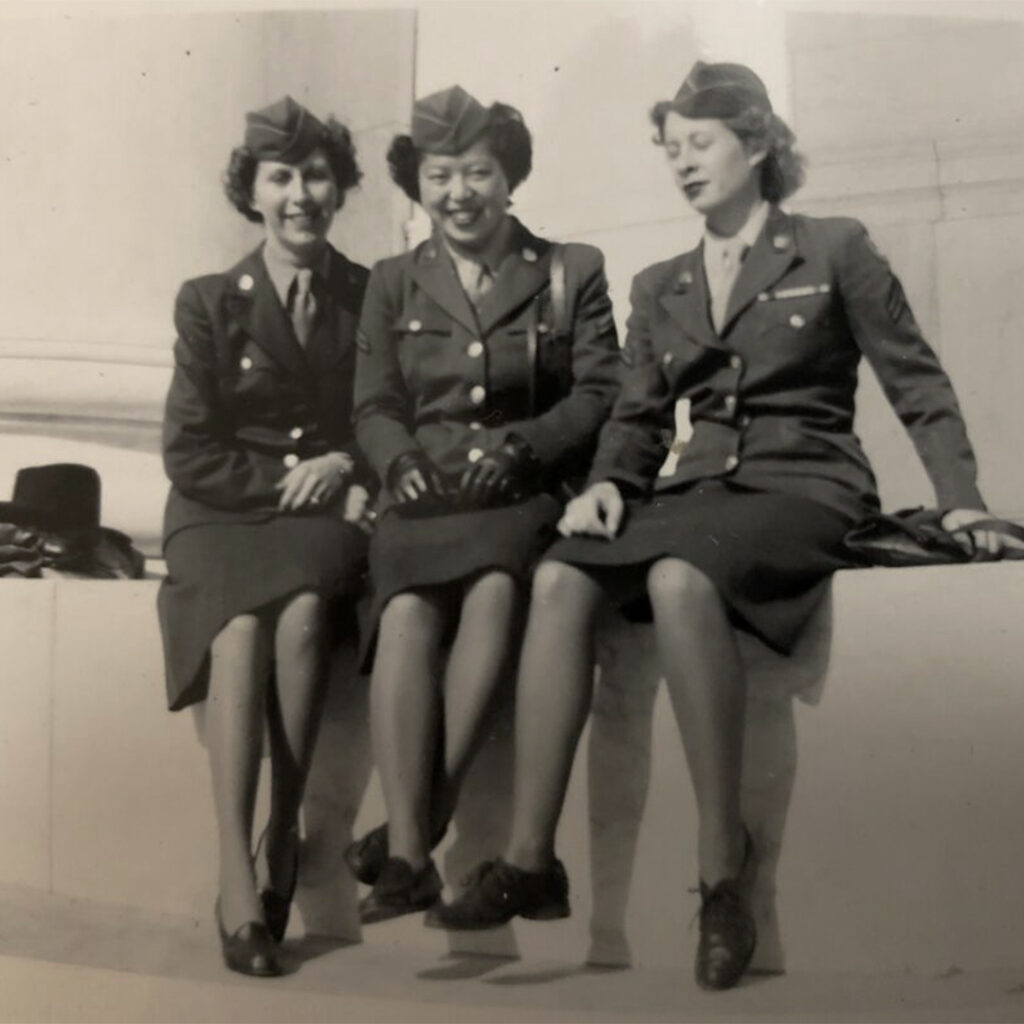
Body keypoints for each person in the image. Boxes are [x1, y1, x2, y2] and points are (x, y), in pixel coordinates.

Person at [427, 62, 999, 990]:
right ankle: (532, 859)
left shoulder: (835, 245)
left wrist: (961, 495)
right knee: (566, 573)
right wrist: (612, 482)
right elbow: (643, 419)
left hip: (807, 489)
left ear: (760, 144)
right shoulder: (662, 284)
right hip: (699, 494)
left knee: (679, 576)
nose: (681, 163)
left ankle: (721, 877)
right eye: (670, 149)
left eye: (700, 144)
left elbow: (916, 382)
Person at [348, 85, 621, 923]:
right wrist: (396, 463)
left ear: (510, 178)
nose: (458, 193)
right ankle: (408, 858)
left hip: (516, 491)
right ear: (417, 183)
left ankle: (411, 833)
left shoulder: (570, 269)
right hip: (425, 495)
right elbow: (374, 404)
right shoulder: (394, 281)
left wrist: (529, 447)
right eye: (439, 175)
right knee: (403, 614)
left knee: (498, 590)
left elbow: (602, 387)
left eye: (477, 172)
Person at [157, 96, 372, 977]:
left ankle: (284, 826)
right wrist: (297, 484)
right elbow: (187, 450)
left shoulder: (372, 292)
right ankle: (237, 873)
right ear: (251, 191)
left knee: (303, 619)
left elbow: (389, 413)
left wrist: (346, 461)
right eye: (280, 178)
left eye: (315, 175)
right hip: (223, 509)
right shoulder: (210, 302)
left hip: (324, 515)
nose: (299, 196)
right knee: (239, 629)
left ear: (339, 187)